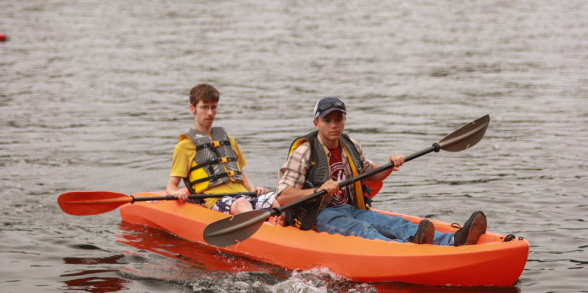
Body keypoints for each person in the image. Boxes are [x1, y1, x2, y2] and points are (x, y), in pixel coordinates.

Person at [276, 97, 487, 246]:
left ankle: (453, 240)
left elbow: (371, 174)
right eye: (327, 120)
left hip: (351, 209)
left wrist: (390, 165)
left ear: (344, 120)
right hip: (320, 216)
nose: (334, 125)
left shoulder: (350, 144)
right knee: (365, 231)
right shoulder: (304, 151)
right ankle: (408, 250)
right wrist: (317, 191)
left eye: (338, 119)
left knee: (395, 223)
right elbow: (283, 196)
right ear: (316, 123)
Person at [166, 84, 281, 219]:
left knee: (280, 198)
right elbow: (171, 186)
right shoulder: (184, 147)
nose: (210, 113)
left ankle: (281, 225)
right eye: (204, 107)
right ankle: (259, 231)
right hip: (218, 201)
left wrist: (254, 190)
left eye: (213, 107)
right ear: (193, 109)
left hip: (244, 196)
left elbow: (241, 175)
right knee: (242, 204)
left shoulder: (229, 141)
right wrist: (177, 192)